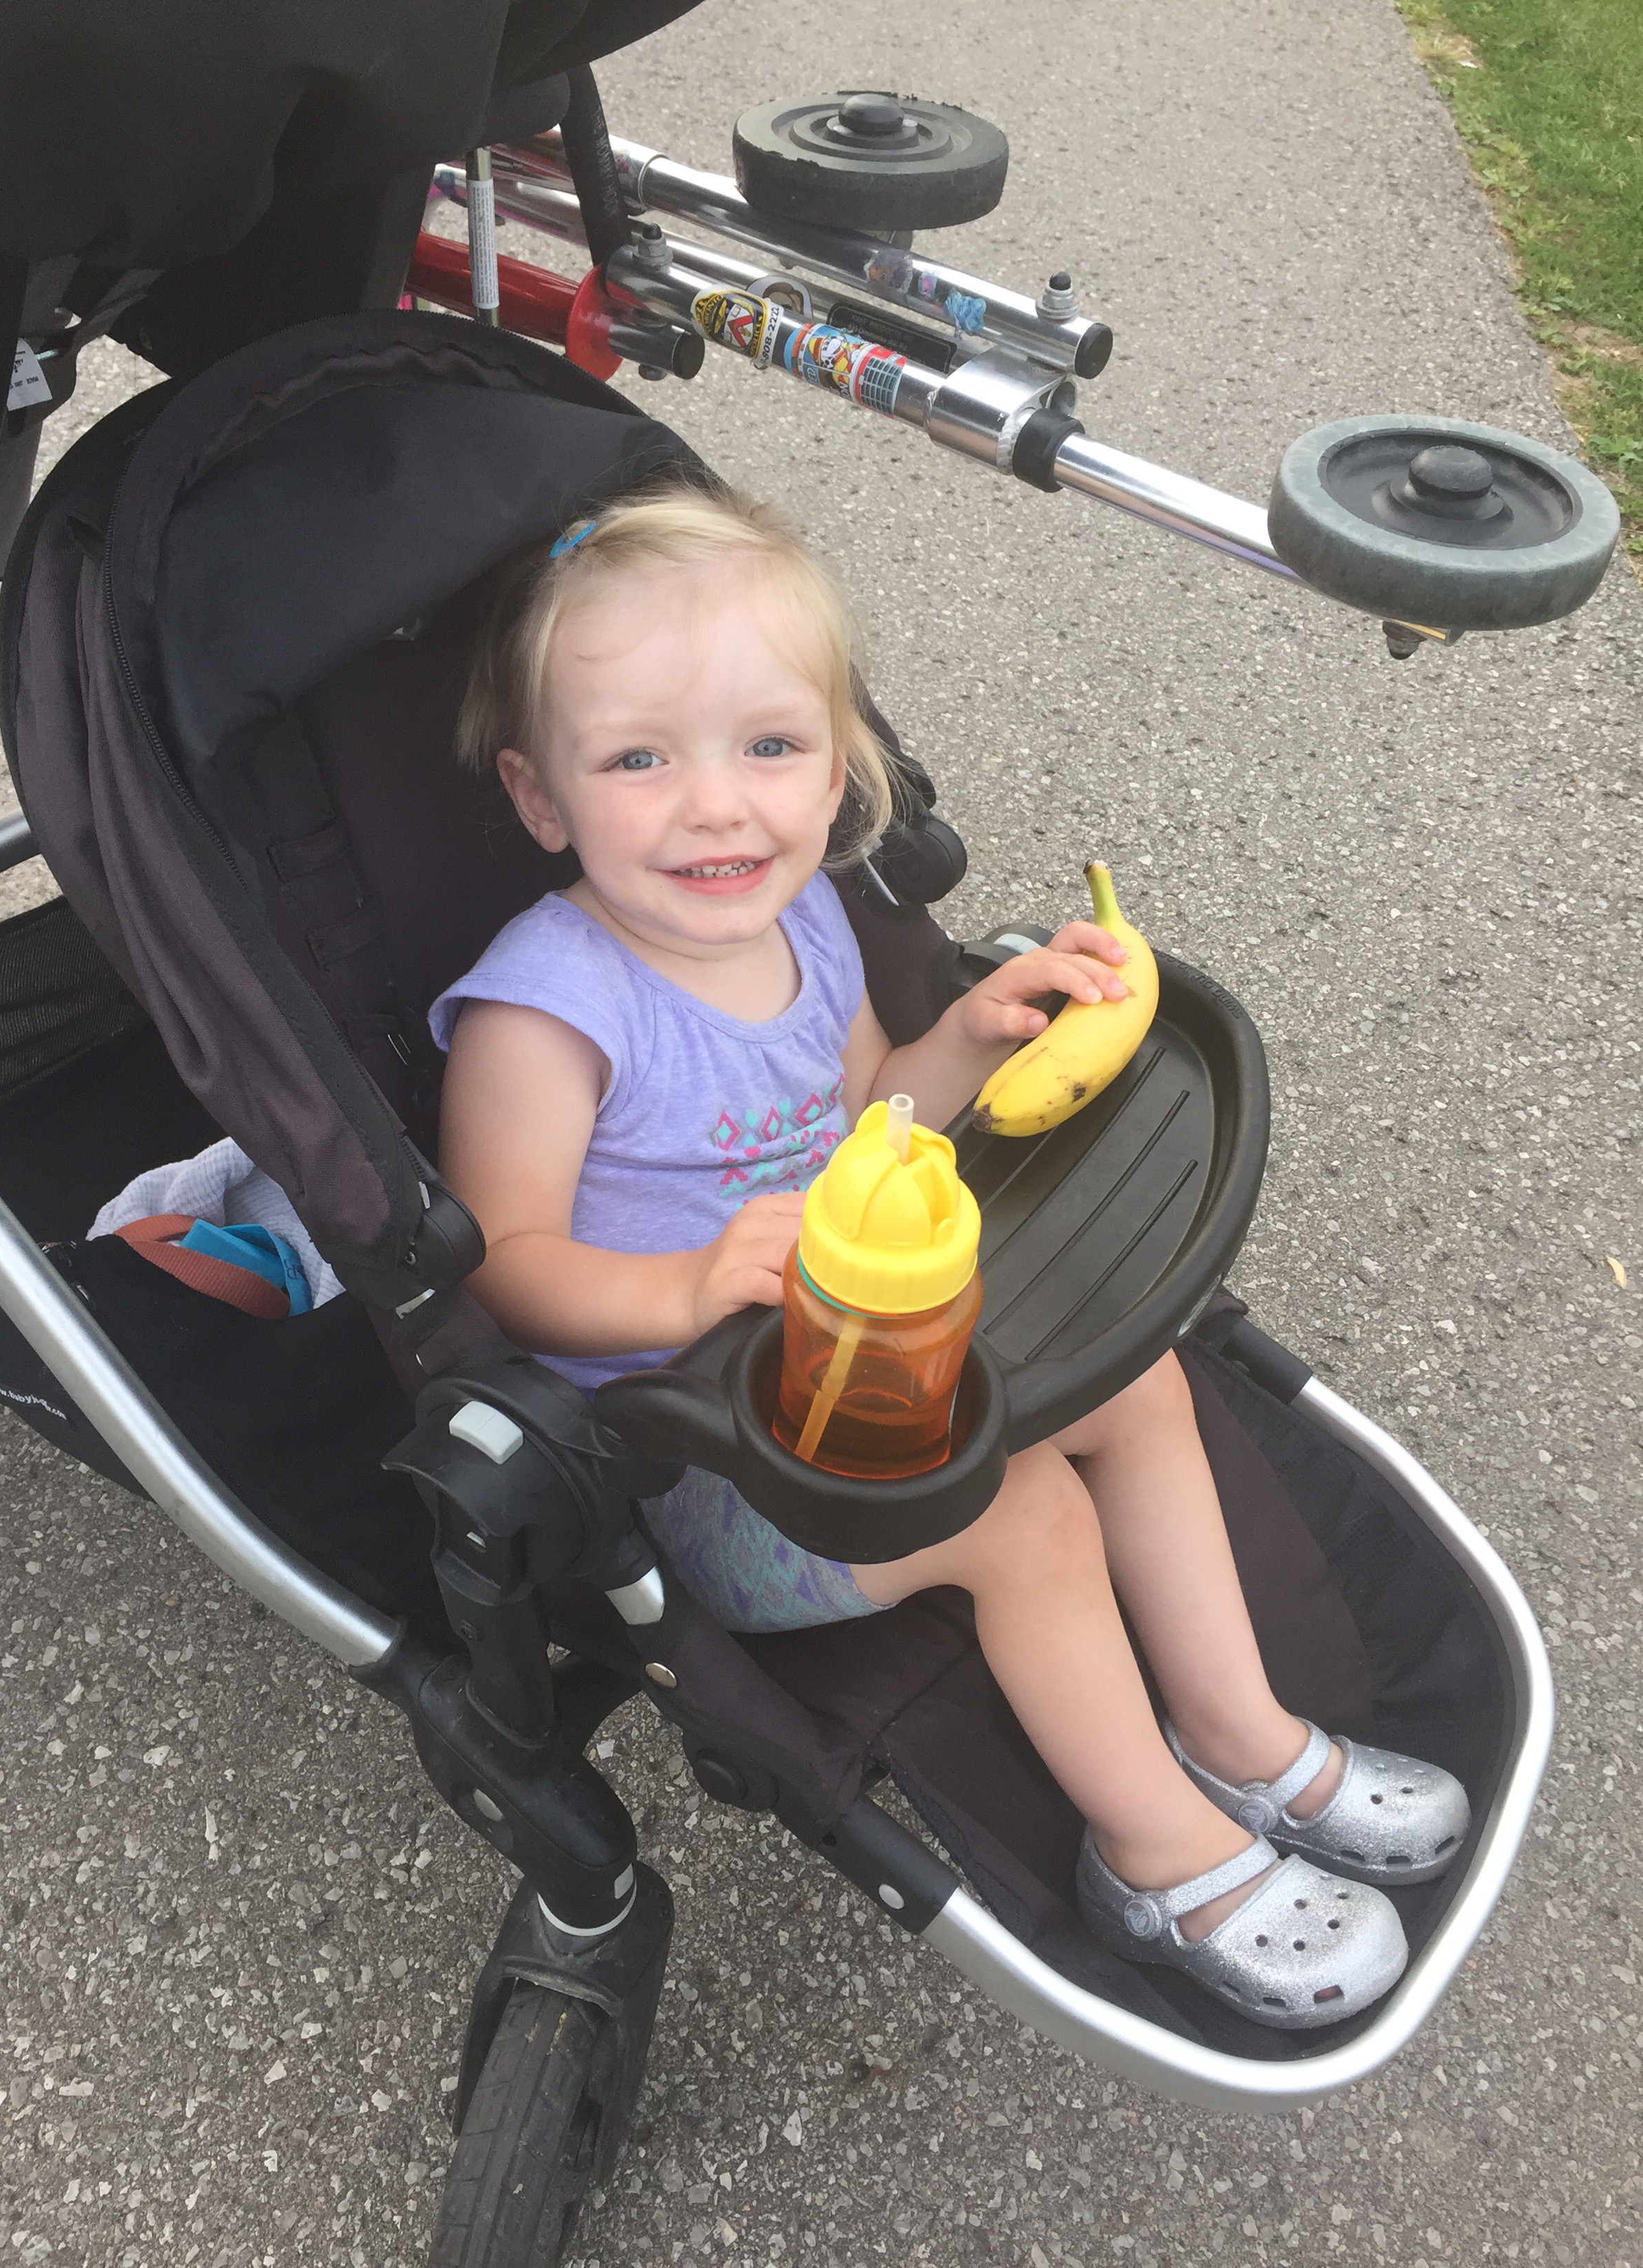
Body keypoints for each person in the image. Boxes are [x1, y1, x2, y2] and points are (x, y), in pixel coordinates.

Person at [431, 483, 1467, 2029]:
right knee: (1022, 1509)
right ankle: (1159, 1856)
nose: (717, 808)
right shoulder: (546, 1012)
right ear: (541, 797)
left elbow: (867, 1115)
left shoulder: (807, 920)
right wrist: (684, 1287)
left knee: (1142, 1385)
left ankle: (1237, 1733)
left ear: (839, 760)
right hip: (712, 1462)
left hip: (872, 1348)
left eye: (768, 747)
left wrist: (972, 1040)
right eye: (639, 760)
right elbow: (501, 1260)